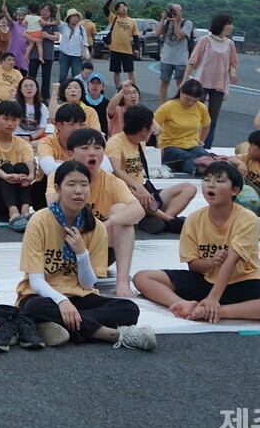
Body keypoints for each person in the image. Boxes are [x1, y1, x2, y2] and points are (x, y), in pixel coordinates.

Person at [10, 161, 156, 351]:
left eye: (84, 184)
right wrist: (61, 301)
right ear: (58, 189)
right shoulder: (40, 221)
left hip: (80, 295)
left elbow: (88, 284)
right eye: (71, 185)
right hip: (44, 295)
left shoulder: (95, 227)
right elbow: (36, 281)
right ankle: (112, 335)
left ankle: (59, 325)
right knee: (33, 308)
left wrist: (82, 253)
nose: (78, 190)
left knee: (129, 309)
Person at [133, 162, 260, 324]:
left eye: (219, 181)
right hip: (205, 280)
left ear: (235, 190)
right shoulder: (194, 219)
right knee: (142, 277)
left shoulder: (247, 218)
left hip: (242, 280)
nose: (210, 185)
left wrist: (213, 299)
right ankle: (182, 304)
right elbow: (193, 265)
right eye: (207, 180)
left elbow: (232, 259)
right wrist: (211, 263)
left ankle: (212, 311)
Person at [49, 129, 144, 297]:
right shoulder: (59, 176)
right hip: (67, 246)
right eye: (85, 148)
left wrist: (106, 223)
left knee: (121, 211)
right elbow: (52, 206)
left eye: (98, 148)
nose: (92, 153)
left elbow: (139, 210)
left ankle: (122, 282)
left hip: (100, 248)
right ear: (71, 153)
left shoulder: (112, 181)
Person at [107, 105, 196, 234]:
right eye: (151, 126)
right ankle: (170, 221)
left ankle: (163, 219)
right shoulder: (116, 142)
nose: (154, 128)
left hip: (145, 192)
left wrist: (142, 189)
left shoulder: (140, 142)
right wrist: (138, 188)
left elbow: (160, 151)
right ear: (143, 130)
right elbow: (115, 170)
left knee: (189, 188)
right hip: (126, 192)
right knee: (139, 198)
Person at [0, 100, 36, 230]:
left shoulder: (23, 144)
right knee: (7, 168)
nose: (10, 124)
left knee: (21, 167)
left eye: (14, 120)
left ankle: (25, 211)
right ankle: (13, 213)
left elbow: (30, 162)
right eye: (6, 119)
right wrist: (5, 175)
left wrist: (30, 175)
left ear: (19, 121)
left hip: (17, 194)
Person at [185, 13, 238, 147]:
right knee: (195, 115)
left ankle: (206, 146)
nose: (231, 27)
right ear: (221, 25)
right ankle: (191, 142)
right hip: (202, 83)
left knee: (212, 118)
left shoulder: (230, 44)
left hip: (219, 85)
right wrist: (184, 82)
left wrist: (232, 72)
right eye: (229, 24)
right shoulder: (205, 40)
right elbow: (192, 61)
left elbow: (233, 62)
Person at [155, 79, 214, 175]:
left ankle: (212, 168)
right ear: (181, 92)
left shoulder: (201, 107)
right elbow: (153, 125)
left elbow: (206, 125)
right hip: (170, 145)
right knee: (187, 157)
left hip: (192, 144)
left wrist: (201, 142)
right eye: (187, 99)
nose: (190, 103)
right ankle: (203, 170)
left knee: (202, 154)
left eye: (194, 101)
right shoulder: (167, 107)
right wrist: (158, 147)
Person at [102, 0, 140, 89]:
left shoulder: (132, 21)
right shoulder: (114, 18)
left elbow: (136, 36)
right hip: (115, 49)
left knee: (130, 71)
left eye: (125, 7)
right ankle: (118, 88)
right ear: (117, 11)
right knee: (116, 71)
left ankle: (133, 88)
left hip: (127, 50)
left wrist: (137, 49)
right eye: (121, 7)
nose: (123, 9)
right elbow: (105, 8)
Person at [24, 3, 60, 99]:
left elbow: (57, 37)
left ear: (51, 13)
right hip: (34, 53)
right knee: (31, 76)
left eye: (47, 10)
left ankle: (45, 98)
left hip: (48, 54)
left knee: (46, 78)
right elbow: (25, 33)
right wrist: (34, 39)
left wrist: (47, 35)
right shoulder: (34, 20)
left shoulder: (53, 23)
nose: (44, 12)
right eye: (43, 9)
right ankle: (30, 96)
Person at [156, 4, 191, 103]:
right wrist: (163, 19)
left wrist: (174, 21)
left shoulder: (187, 23)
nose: (173, 13)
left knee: (180, 83)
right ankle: (162, 104)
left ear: (181, 11)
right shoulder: (167, 23)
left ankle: (181, 103)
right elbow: (157, 33)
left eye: (175, 11)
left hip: (181, 59)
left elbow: (180, 35)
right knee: (164, 82)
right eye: (172, 11)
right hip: (166, 58)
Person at [57, 8, 88, 86]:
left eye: (76, 17)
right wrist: (58, 10)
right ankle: (61, 93)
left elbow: (85, 42)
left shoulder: (81, 29)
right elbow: (58, 21)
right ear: (69, 18)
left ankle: (76, 93)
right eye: (73, 16)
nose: (75, 18)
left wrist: (84, 52)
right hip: (65, 54)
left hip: (77, 55)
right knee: (62, 75)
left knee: (77, 76)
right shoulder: (64, 26)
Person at [14, 77, 49, 142]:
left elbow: (42, 129)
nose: (29, 88)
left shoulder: (42, 107)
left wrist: (30, 138)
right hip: (17, 136)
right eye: (25, 86)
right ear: (21, 90)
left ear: (37, 89)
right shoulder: (14, 104)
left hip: (34, 137)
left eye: (31, 86)